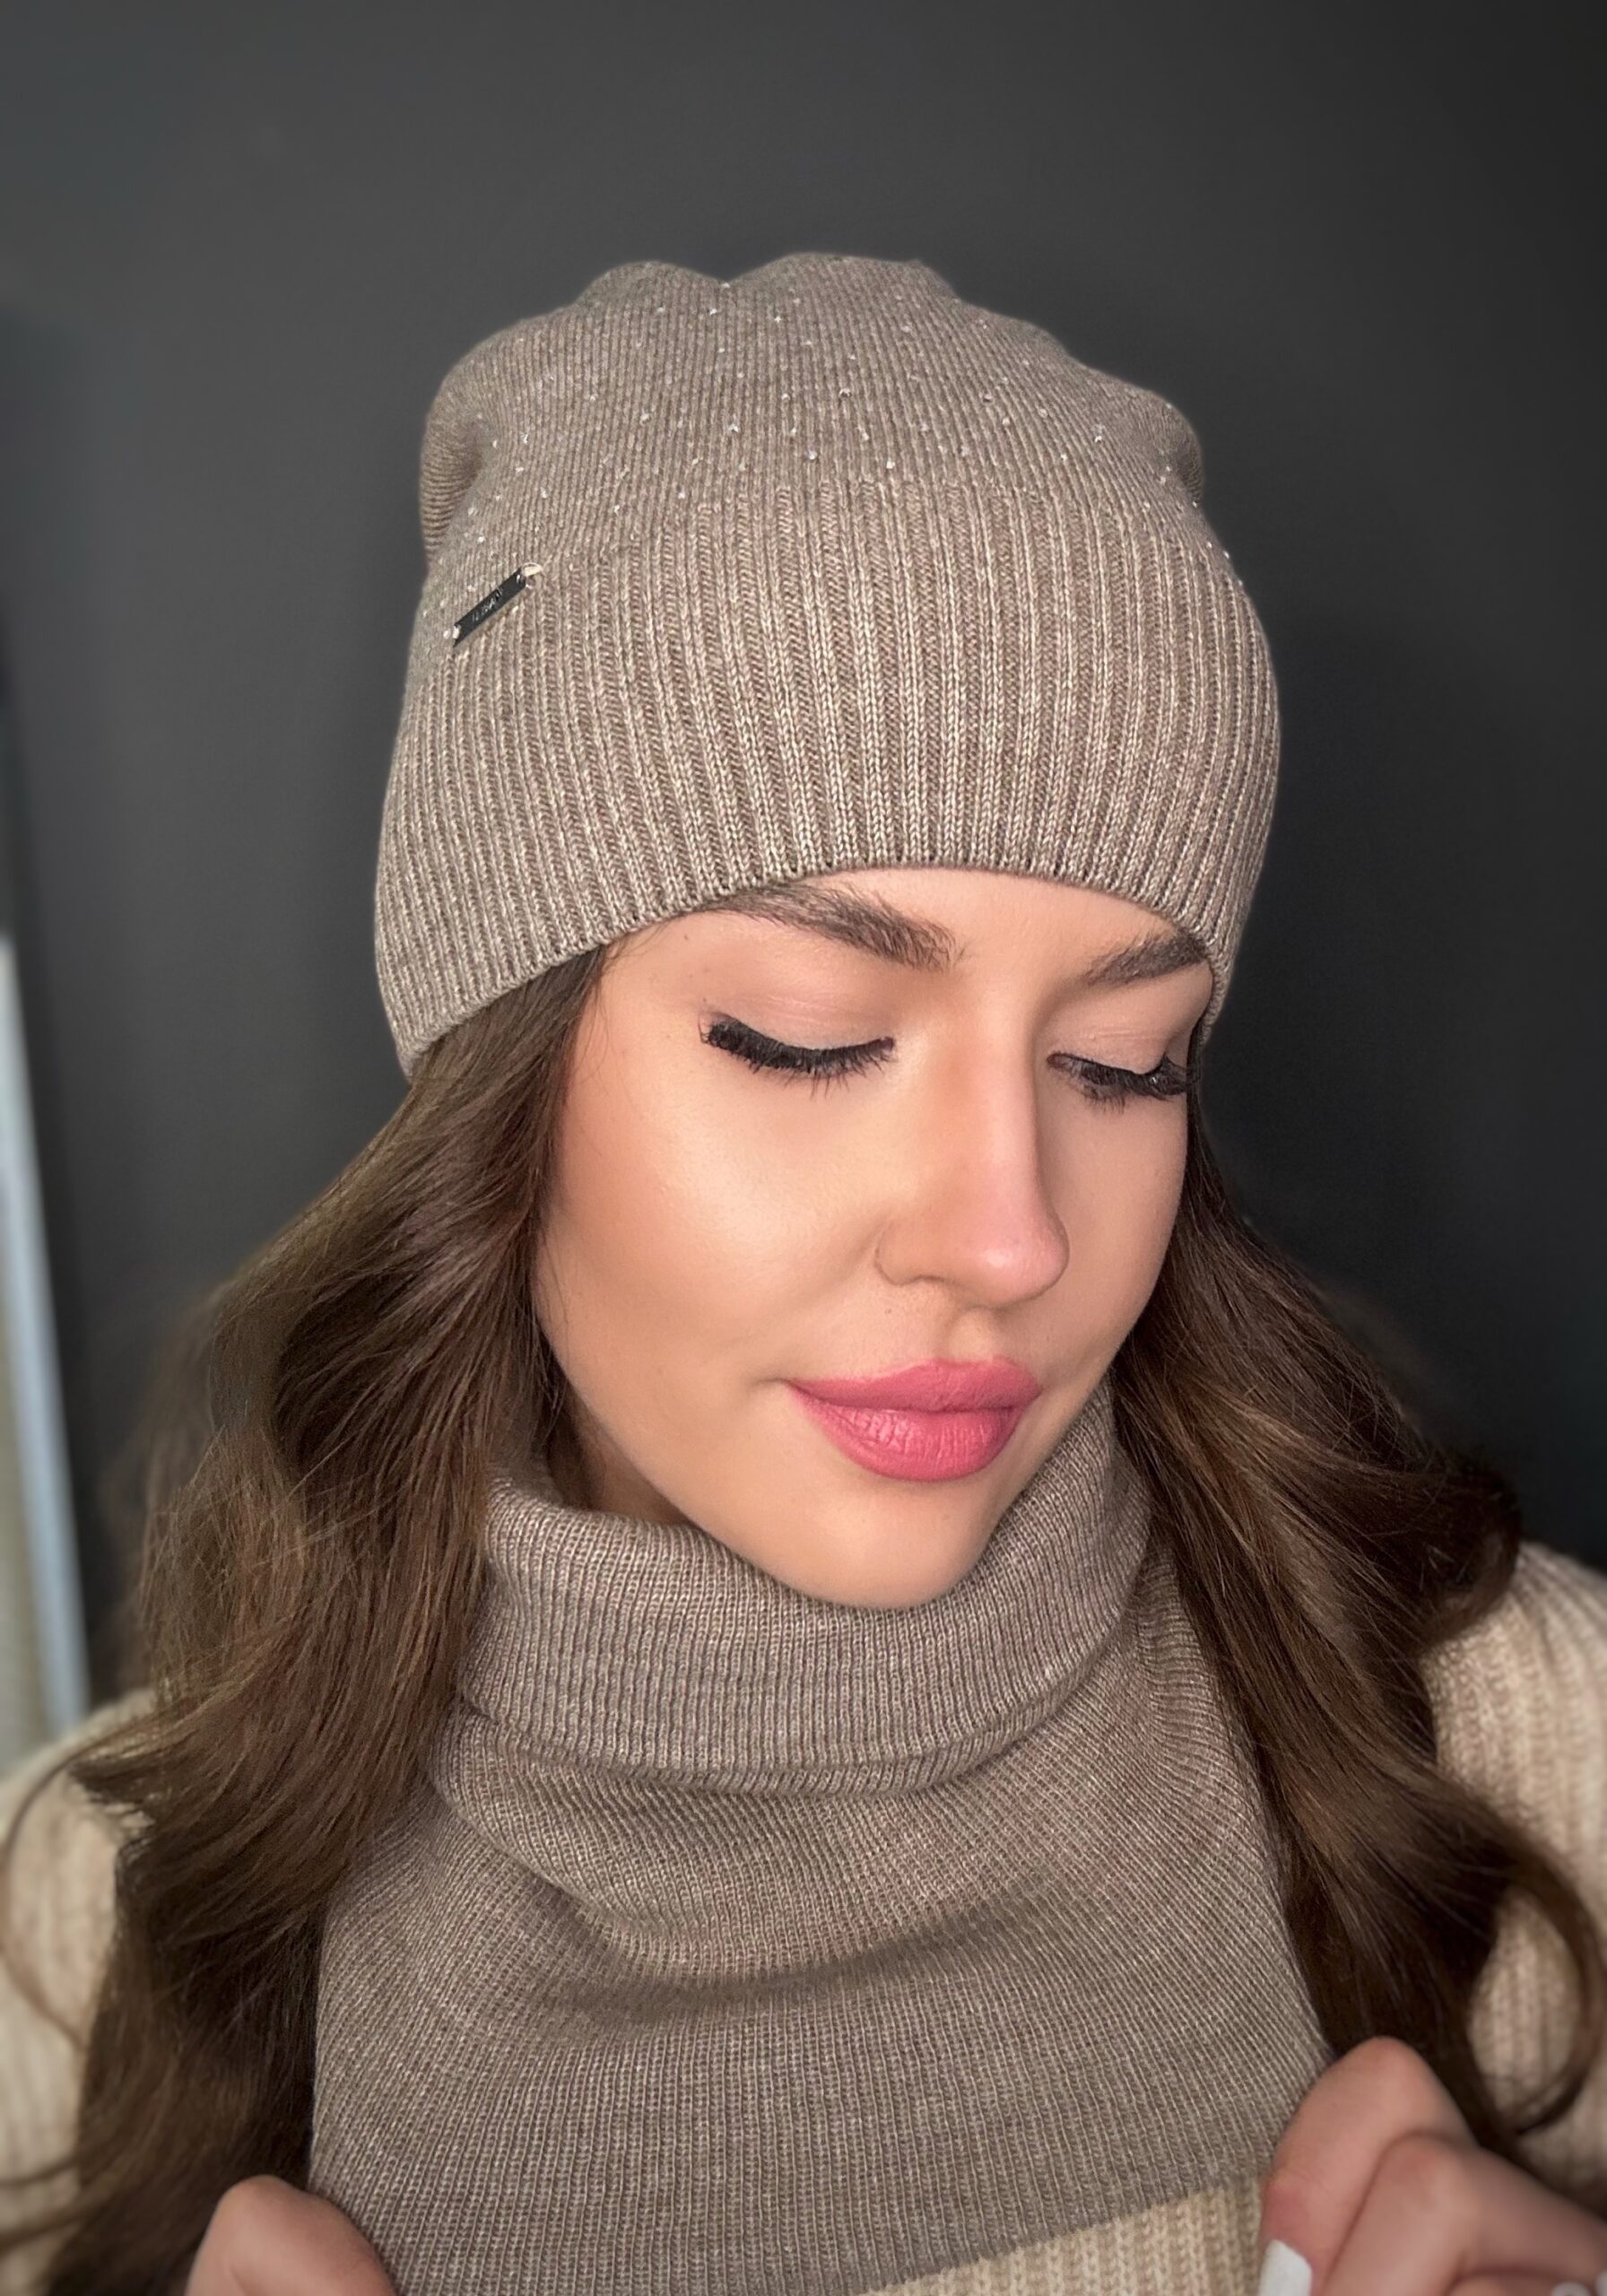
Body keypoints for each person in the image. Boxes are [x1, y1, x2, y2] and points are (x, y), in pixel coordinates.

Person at [1, 253, 1604, 2296]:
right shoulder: (85, 1923)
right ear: (498, 1077)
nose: (1008, 1237)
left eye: (1126, 1062)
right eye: (803, 1036)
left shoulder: (1524, 1756)